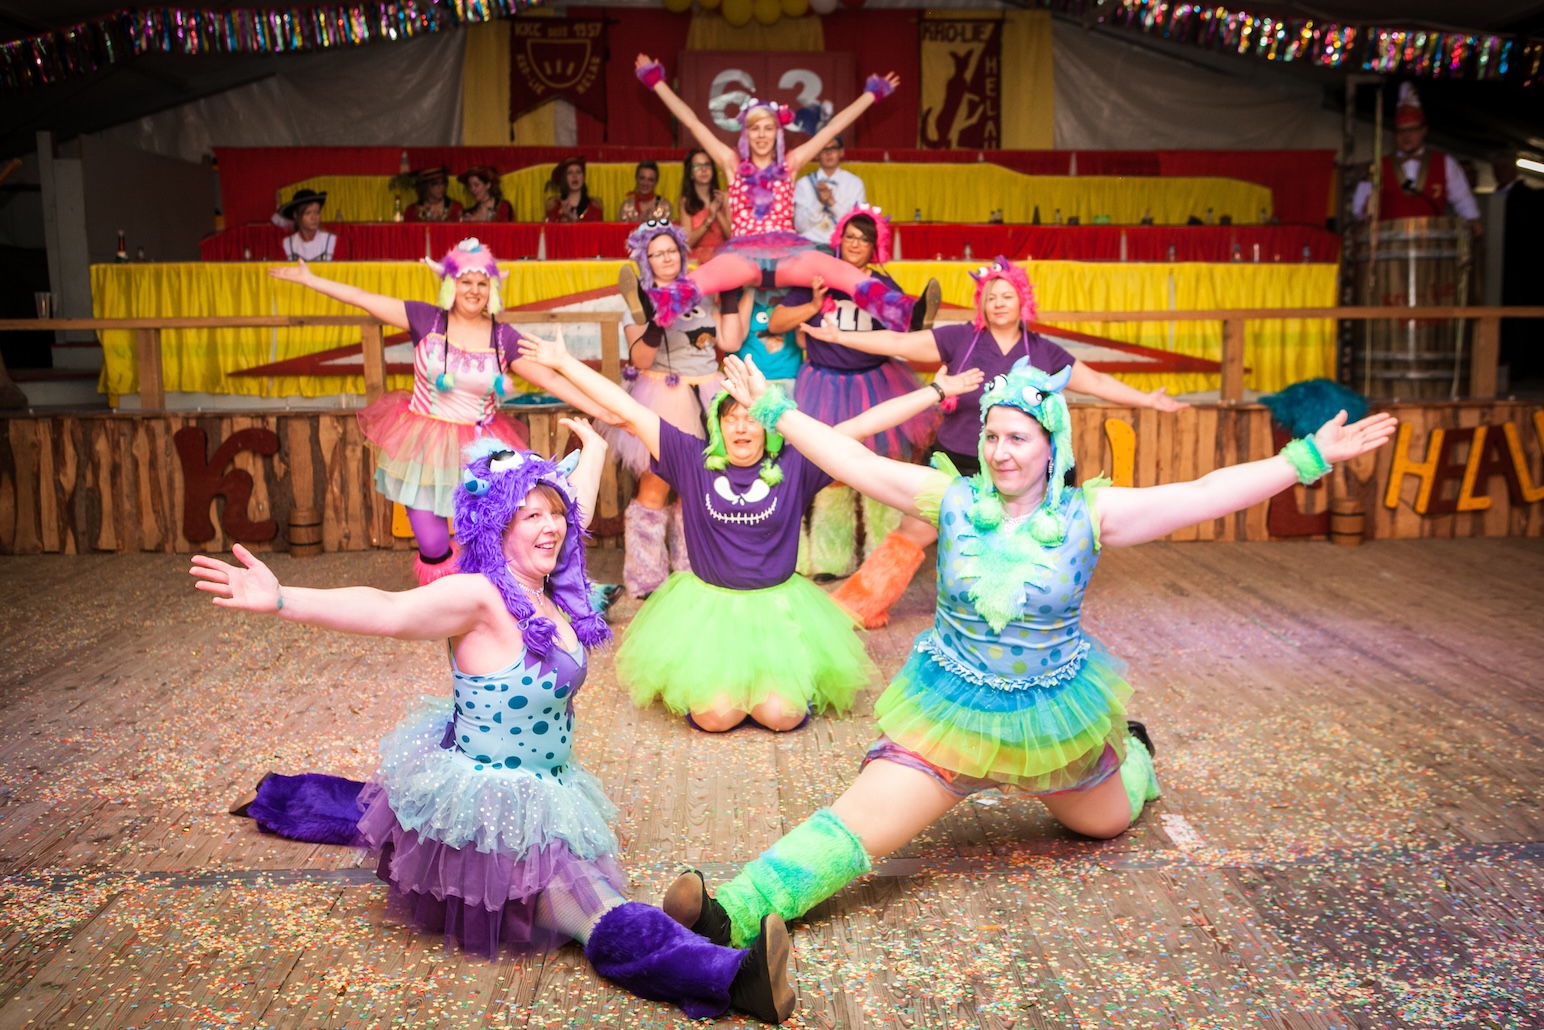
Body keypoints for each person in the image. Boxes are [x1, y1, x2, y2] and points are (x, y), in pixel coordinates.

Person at [659, 353, 1398, 964]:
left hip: (1053, 718)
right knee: (857, 823)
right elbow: (853, 461)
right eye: (992, 436)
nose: (1001, 452)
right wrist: (775, 411)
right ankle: (735, 909)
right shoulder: (949, 500)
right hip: (952, 711)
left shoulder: (1089, 515)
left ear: (1053, 446)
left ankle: (1135, 757)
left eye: (1018, 437)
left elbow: (1204, 492)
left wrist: (1305, 458)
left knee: (1105, 822)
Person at [193, 432, 795, 1023]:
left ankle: (279, 795)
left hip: (544, 788)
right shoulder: (480, 597)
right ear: (496, 526)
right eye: (530, 515)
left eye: (555, 513)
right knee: (596, 911)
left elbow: (569, 511)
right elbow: (389, 609)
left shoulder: (549, 589)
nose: (550, 526)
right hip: (494, 816)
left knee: (383, 813)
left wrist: (593, 450)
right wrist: (282, 599)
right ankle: (731, 979)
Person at [517, 326, 984, 733]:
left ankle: (777, 684)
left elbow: (862, 425)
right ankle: (717, 682)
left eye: (752, 418)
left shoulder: (797, 463)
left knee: (780, 716)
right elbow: (628, 408)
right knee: (715, 717)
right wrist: (563, 362)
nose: (742, 428)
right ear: (718, 425)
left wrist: (935, 391)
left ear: (768, 425)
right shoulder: (690, 458)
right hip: (709, 610)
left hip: (778, 610)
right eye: (731, 418)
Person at [803, 257, 1190, 629]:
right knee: (913, 531)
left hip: (1021, 472)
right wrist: (840, 337)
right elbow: (898, 343)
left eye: (1007, 295)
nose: (999, 303)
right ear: (981, 304)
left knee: (1029, 540)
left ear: (1023, 301)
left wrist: (1147, 400)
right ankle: (856, 608)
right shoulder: (960, 339)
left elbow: (1097, 382)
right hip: (959, 461)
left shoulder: (1044, 351)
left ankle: (1018, 613)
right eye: (991, 297)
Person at [267, 238, 613, 585]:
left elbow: (550, 379)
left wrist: (604, 409)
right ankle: (445, 598)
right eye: (466, 281)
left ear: (491, 289)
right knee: (432, 544)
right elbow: (362, 298)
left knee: (485, 538)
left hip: (480, 449)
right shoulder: (426, 320)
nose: (474, 290)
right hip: (424, 444)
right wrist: (311, 280)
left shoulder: (502, 337)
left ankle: (487, 602)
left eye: (482, 283)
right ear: (450, 284)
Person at [631, 54, 938, 336]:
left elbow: (833, 127)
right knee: (703, 277)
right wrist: (656, 82)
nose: (762, 135)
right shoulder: (732, 164)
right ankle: (651, 305)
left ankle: (907, 313)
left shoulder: (790, 165)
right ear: (746, 133)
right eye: (755, 129)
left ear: (778, 133)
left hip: (789, 258)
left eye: (768, 128)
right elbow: (692, 122)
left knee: (840, 271)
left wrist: (872, 94)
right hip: (743, 258)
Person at [771, 207, 931, 580]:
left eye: (865, 239)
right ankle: (831, 559)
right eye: (850, 237)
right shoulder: (818, 278)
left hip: (874, 384)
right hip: (824, 386)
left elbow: (903, 333)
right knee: (831, 473)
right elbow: (777, 323)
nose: (856, 244)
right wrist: (812, 305)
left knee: (881, 474)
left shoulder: (883, 286)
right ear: (839, 240)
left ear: (875, 247)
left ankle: (884, 561)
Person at [604, 219, 747, 598]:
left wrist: (730, 297)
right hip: (665, 395)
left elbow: (731, 341)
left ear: (683, 255)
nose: (667, 258)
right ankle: (646, 578)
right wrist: (656, 320)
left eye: (672, 251)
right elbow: (640, 357)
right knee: (656, 485)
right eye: (657, 254)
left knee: (698, 489)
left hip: (709, 393)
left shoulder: (702, 296)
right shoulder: (640, 302)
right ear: (646, 260)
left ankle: (693, 571)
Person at [1352, 83, 1480, 232]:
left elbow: (1463, 200)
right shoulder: (1378, 166)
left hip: (1432, 241)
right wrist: (1365, 212)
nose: (1406, 136)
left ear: (1424, 130)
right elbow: (1359, 209)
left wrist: (1472, 220)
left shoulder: (1445, 163)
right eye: (1401, 131)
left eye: (1412, 130)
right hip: (1389, 242)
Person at [793, 136, 867, 247]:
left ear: (841, 152)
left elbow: (857, 225)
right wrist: (819, 202)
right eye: (824, 149)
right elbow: (800, 227)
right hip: (809, 246)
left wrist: (832, 203)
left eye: (833, 149)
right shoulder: (803, 184)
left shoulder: (855, 183)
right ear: (817, 154)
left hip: (843, 247)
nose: (829, 153)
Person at [679, 148, 732, 263]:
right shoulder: (686, 202)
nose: (704, 169)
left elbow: (732, 237)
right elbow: (687, 243)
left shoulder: (725, 197)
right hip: (696, 261)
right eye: (697, 166)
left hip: (722, 259)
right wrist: (709, 219)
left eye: (707, 165)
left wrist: (717, 212)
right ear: (691, 174)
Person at [274, 188, 339, 262]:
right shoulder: (286, 245)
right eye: (308, 213)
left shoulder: (333, 241)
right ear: (296, 215)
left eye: (317, 212)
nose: (314, 218)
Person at [545, 158, 604, 224]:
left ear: (583, 178)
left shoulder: (595, 207)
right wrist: (564, 218)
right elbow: (551, 229)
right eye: (570, 173)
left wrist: (575, 221)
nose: (574, 176)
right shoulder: (554, 207)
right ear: (564, 179)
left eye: (578, 172)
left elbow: (597, 229)